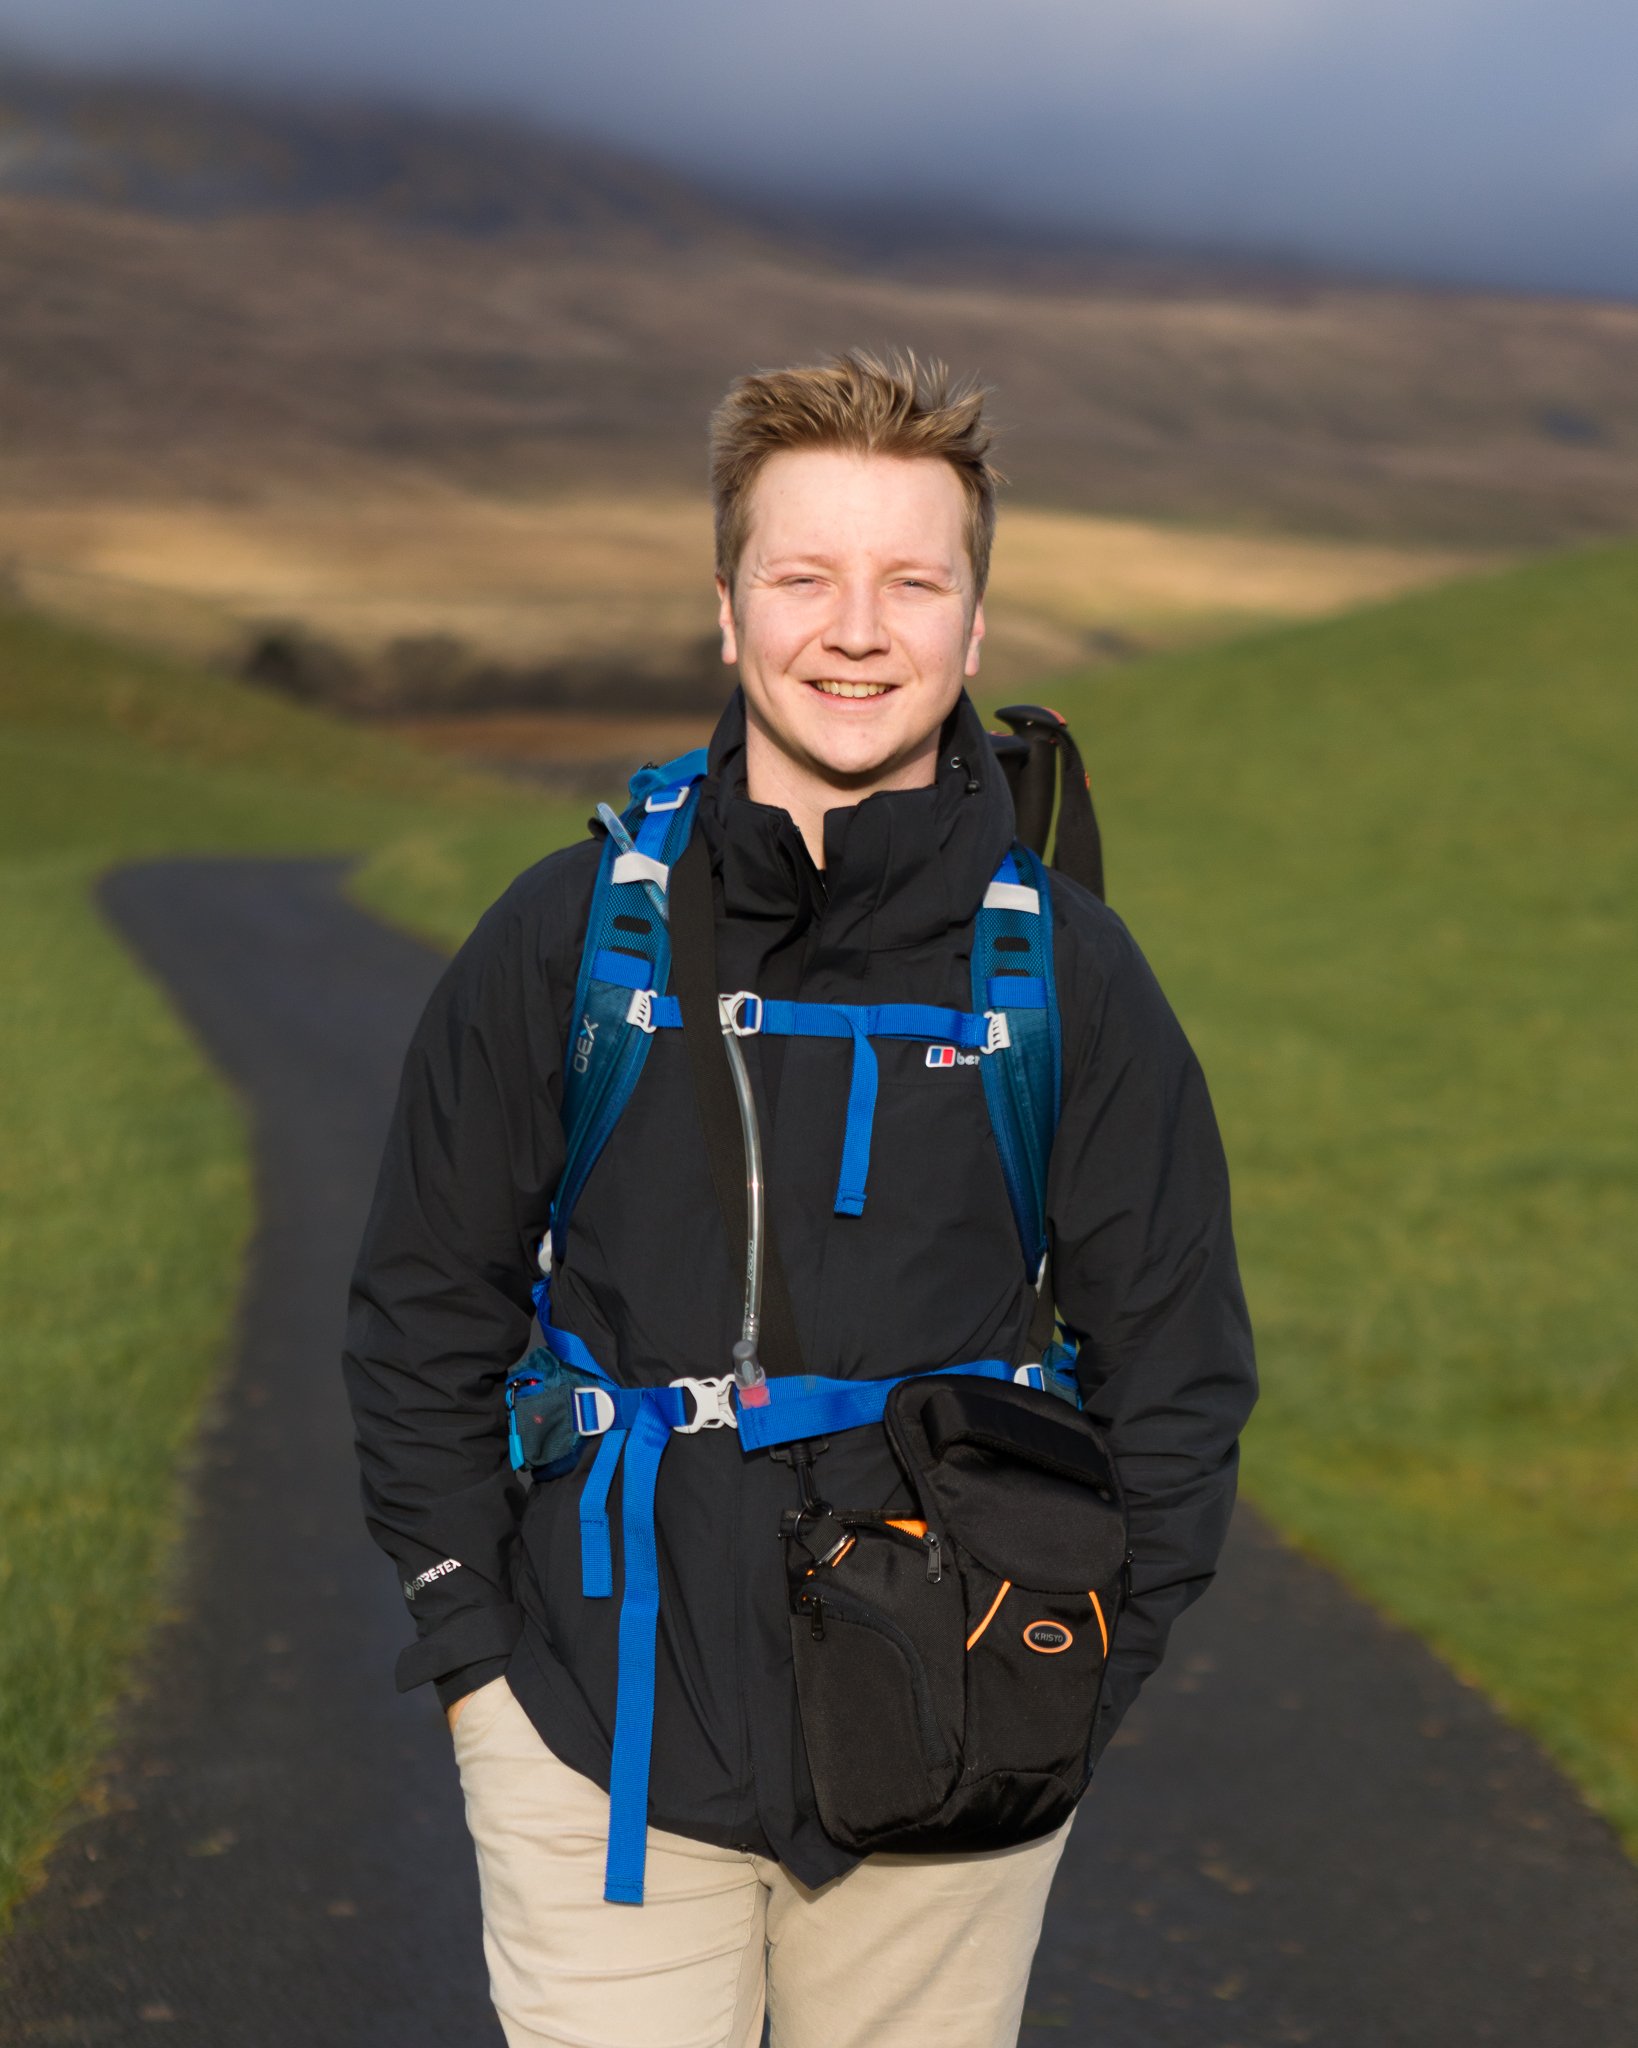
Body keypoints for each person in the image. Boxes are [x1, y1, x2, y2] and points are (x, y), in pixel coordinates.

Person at [343, 349, 1257, 2048]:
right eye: (803, 576)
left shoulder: (1069, 974)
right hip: (590, 1742)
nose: (856, 629)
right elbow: (420, 1307)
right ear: (724, 609)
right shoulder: (568, 939)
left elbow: (1178, 1368)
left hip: (962, 1751)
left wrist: (1069, 1681)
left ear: (974, 629)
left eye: (911, 580)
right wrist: (472, 1653)